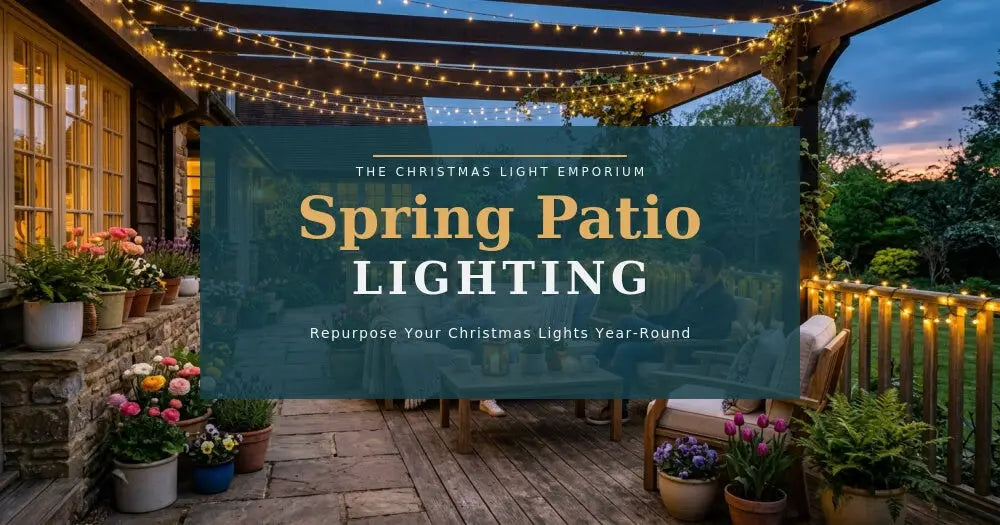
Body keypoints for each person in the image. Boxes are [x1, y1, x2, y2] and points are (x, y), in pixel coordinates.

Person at [586, 246, 737, 425]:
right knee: (624, 349)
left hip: (685, 350)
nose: (689, 268)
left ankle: (593, 365)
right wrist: (646, 318)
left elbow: (716, 333)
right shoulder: (692, 293)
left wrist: (676, 335)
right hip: (665, 341)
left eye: (693, 265)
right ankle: (618, 409)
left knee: (625, 322)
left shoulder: (723, 299)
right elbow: (671, 317)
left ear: (708, 269)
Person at [424, 250, 506, 417]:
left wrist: (475, 306)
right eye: (459, 263)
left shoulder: (465, 287)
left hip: (466, 332)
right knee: (489, 325)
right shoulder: (433, 288)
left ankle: (487, 398)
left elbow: (476, 318)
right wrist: (456, 303)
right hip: (443, 333)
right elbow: (431, 319)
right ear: (447, 266)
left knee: (483, 345)